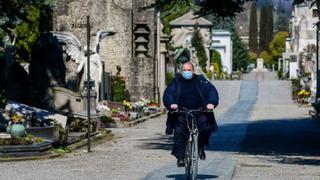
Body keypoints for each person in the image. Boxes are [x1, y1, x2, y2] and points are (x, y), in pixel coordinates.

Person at [163, 61, 219, 167]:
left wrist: (211, 103)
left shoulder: (200, 80)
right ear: (181, 71)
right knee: (179, 131)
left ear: (193, 71)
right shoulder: (176, 81)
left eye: (189, 70)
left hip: (200, 111)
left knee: (205, 127)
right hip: (182, 112)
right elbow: (168, 94)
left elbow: (212, 91)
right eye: (184, 70)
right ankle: (180, 157)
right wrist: (171, 104)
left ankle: (200, 146)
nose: (187, 72)